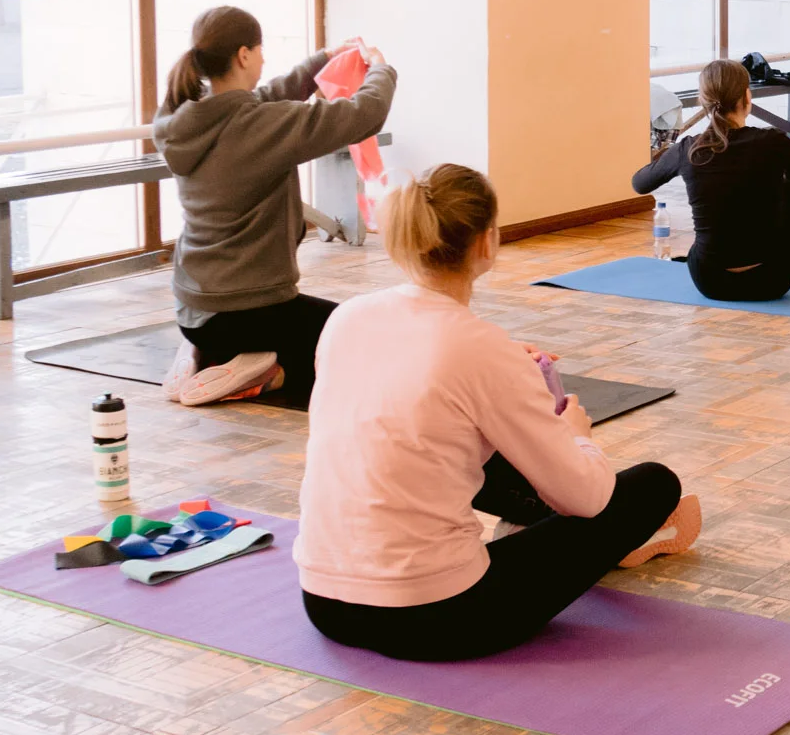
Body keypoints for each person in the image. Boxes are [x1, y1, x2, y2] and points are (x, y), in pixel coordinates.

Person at [295, 163, 698, 662]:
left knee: (446, 440)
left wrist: (504, 365)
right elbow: (590, 500)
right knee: (652, 483)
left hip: (324, 602)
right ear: (487, 243)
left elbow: (413, 401)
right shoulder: (480, 349)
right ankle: (547, 522)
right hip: (436, 616)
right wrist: (574, 433)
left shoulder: (346, 317)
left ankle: (529, 519)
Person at [152, 7, 395, 406]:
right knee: (359, 341)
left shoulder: (178, 118)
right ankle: (267, 372)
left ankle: (201, 355)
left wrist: (321, 61)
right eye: (261, 50)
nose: (264, 59)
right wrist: (380, 70)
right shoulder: (261, 125)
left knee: (329, 332)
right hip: (247, 314)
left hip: (191, 310)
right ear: (244, 55)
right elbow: (362, 115)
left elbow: (254, 103)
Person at [632, 59, 790, 301]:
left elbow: (640, 183)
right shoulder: (773, 143)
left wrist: (675, 157)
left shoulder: (689, 149)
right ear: (747, 96)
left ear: (704, 101)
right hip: (772, 279)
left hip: (710, 281)